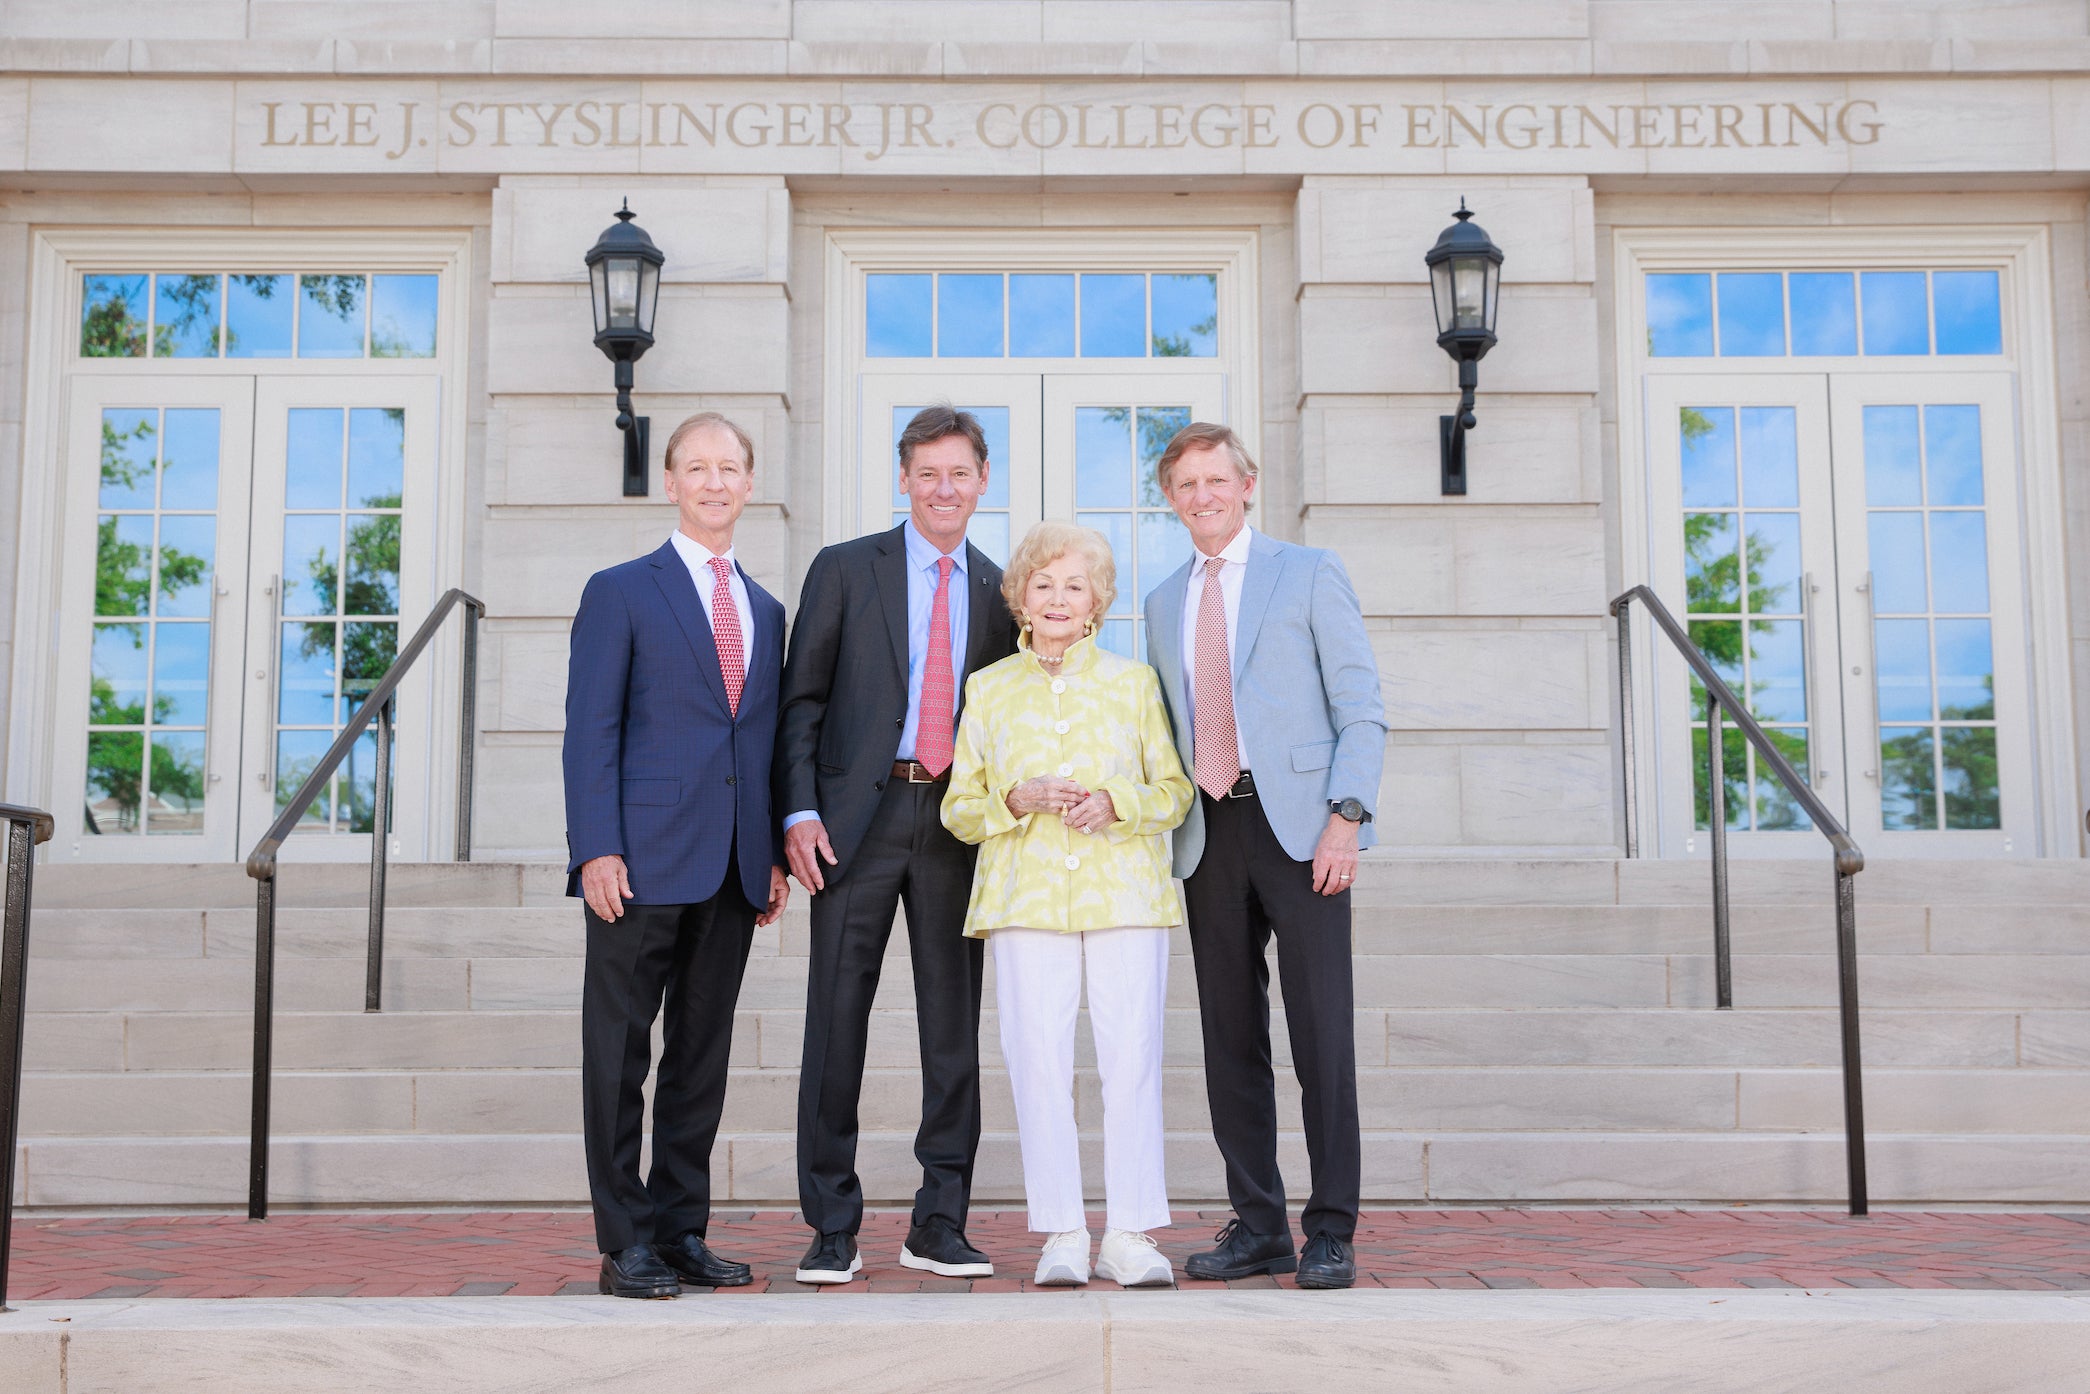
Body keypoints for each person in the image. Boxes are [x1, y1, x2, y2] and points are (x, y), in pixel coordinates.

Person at [774, 404, 1018, 1284]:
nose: (944, 488)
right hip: (854, 825)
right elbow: (800, 701)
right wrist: (797, 813)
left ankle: (938, 1220)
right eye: (928, 473)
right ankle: (832, 1224)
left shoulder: (1001, 590)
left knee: (951, 1032)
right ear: (904, 481)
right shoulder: (846, 569)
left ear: (983, 481)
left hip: (956, 829)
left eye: (960, 473)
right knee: (835, 1024)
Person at [1142, 422, 1387, 1291]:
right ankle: (1258, 1225)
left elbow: (1362, 708)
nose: (1203, 496)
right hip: (1208, 831)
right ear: (1169, 499)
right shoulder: (1162, 599)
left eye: (1217, 480)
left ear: (1247, 485)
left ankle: (1331, 1230)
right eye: (1185, 484)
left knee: (1322, 1034)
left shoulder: (1309, 573)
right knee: (1229, 1037)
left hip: (1302, 829)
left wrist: (1346, 818)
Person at [562, 412, 790, 1298]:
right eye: (698, 467)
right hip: (639, 863)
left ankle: (680, 1228)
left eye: (730, 467)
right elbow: (592, 729)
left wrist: (768, 850)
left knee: (701, 1057)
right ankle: (626, 1242)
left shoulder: (766, 610)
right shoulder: (622, 590)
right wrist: (596, 849)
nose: (715, 482)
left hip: (732, 869)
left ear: (748, 482)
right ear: (672, 482)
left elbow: (762, 740)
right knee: (620, 1055)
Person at [942, 522, 1192, 1288]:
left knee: (1130, 1061)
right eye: (1043, 584)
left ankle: (1129, 1234)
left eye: (1074, 586)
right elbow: (959, 807)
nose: (1057, 598)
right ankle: (1061, 1233)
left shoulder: (1133, 683)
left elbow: (1175, 792)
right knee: (1038, 1062)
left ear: (1097, 604)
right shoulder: (986, 689)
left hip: (1126, 894)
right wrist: (1013, 799)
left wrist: (1119, 803)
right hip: (1025, 896)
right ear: (1020, 597)